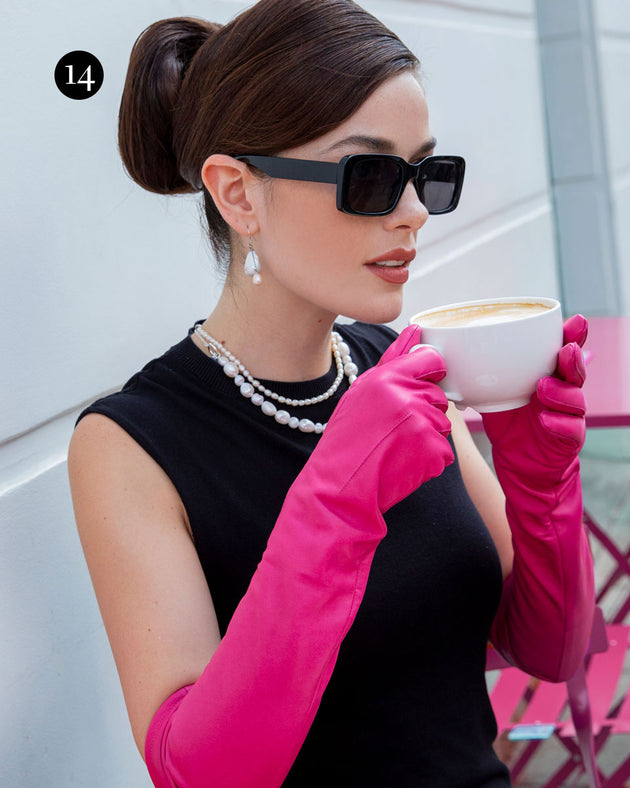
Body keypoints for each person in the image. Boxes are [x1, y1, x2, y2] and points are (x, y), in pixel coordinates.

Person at [67, 1, 595, 785]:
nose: (415, 212)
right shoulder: (128, 444)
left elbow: (551, 652)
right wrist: (335, 507)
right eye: (373, 175)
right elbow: (198, 773)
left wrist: (541, 485)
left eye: (425, 174)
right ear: (239, 195)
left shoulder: (398, 367)